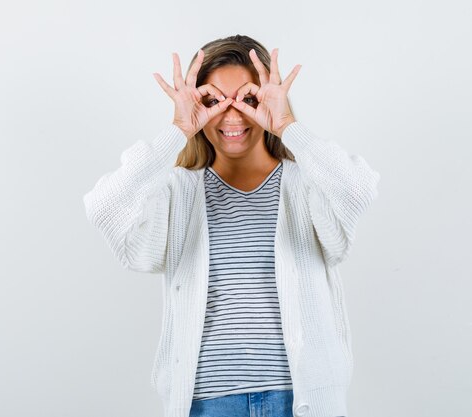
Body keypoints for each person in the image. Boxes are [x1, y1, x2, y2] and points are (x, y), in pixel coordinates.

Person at [83, 34, 379, 417]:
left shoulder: (306, 184)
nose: (233, 115)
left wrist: (287, 124)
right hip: (207, 403)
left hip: (299, 400)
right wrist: (177, 129)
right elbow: (104, 206)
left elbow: (359, 188)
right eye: (213, 101)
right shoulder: (179, 192)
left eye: (249, 99)